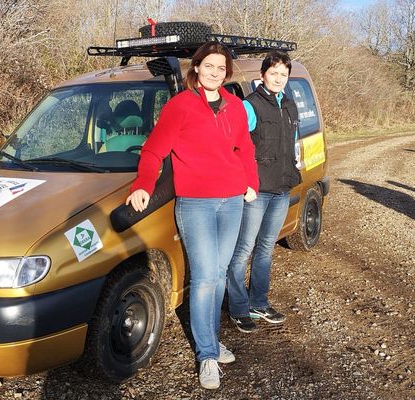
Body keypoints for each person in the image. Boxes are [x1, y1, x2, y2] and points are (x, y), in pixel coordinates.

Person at [126, 42, 259, 390]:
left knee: (218, 274)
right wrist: (142, 184)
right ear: (196, 68)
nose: (215, 72)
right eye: (209, 66)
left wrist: (251, 183)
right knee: (203, 279)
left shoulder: (234, 105)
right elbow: (154, 149)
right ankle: (207, 355)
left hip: (231, 200)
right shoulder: (180, 105)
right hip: (196, 203)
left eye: (221, 68)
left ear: (226, 72)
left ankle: (211, 341)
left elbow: (245, 147)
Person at [227, 50, 301, 333]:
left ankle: (259, 303)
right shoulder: (250, 106)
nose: (279, 79)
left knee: (266, 248)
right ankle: (237, 307)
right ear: (262, 75)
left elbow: (291, 145)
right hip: (255, 191)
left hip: (281, 188)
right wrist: (245, 183)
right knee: (243, 249)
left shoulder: (290, 106)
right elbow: (237, 149)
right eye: (274, 73)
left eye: (284, 74)